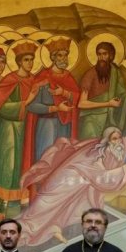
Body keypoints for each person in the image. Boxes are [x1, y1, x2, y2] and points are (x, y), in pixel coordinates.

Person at [0, 40, 42, 205]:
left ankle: (21, 198)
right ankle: (2, 201)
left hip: (27, 128)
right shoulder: (10, 80)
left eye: (32, 59)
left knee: (24, 164)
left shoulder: (34, 81)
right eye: (26, 60)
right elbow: (1, 108)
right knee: (8, 163)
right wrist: (26, 102)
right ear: (18, 62)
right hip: (8, 129)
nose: (29, 63)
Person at [26, 38, 81, 176]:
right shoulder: (43, 78)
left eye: (65, 55)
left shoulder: (69, 78)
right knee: (46, 159)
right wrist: (56, 108)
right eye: (60, 55)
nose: (64, 58)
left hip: (65, 125)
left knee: (62, 160)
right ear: (53, 57)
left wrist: (64, 93)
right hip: (47, 125)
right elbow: (31, 106)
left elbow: (78, 98)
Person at [77, 41, 126, 141]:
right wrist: (108, 103)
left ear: (111, 55)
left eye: (104, 54)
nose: (101, 57)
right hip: (91, 120)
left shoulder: (115, 73)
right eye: (99, 54)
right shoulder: (90, 74)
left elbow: (120, 98)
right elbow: (81, 104)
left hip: (110, 119)